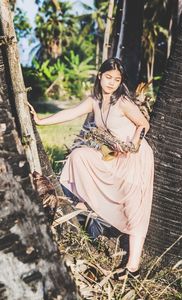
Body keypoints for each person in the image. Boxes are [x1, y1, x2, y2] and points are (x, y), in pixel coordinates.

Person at [29, 57, 154, 279]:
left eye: (117, 79)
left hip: (135, 156)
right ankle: (81, 202)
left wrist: (134, 142)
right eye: (108, 77)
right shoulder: (94, 101)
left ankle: (133, 265)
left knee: (134, 204)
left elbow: (143, 123)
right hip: (114, 156)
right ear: (100, 76)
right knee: (79, 155)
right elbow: (69, 114)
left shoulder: (123, 101)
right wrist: (40, 121)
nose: (111, 83)